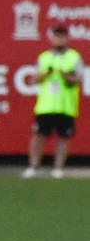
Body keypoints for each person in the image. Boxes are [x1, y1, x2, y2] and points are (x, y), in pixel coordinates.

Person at [24, 25, 82, 179]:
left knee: (63, 137)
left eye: (62, 36)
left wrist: (66, 75)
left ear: (67, 38)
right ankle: (33, 166)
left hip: (65, 105)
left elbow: (79, 80)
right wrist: (45, 74)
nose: (59, 39)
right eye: (57, 36)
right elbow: (33, 79)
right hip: (46, 105)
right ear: (52, 38)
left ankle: (58, 168)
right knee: (39, 136)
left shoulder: (74, 57)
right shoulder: (44, 57)